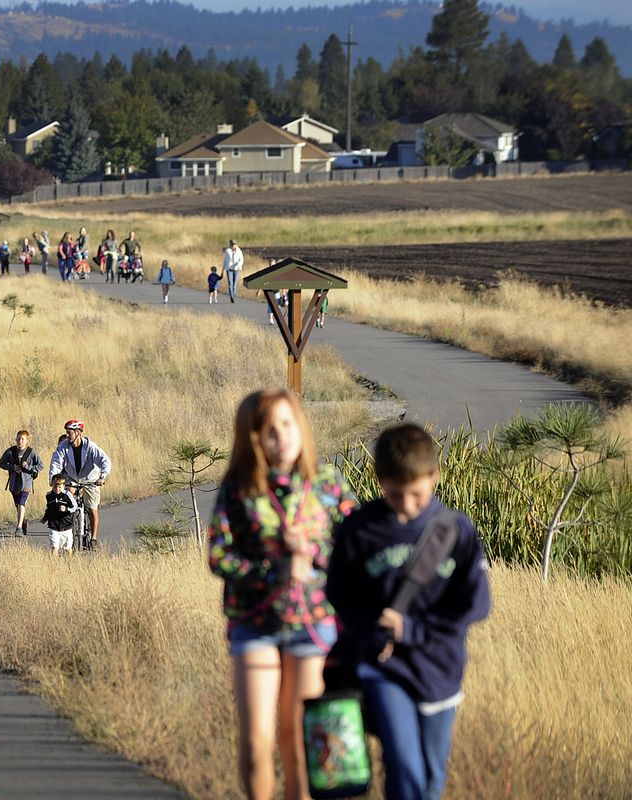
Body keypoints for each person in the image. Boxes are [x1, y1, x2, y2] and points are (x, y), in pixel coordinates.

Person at [326, 423, 491, 800]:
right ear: (380, 479)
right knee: (404, 768)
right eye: (396, 494)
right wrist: (371, 631)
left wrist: (412, 630)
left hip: (440, 669)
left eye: (416, 494)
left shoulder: (456, 530)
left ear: (434, 476)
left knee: (431, 780)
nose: (407, 505)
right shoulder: (361, 528)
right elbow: (340, 593)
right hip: (385, 668)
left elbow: (477, 604)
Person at [206, 388, 356, 800]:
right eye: (269, 430)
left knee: (298, 739)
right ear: (252, 438)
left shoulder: (327, 484)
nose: (282, 436)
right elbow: (219, 555)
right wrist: (274, 572)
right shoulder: (239, 488)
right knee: (257, 742)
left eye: (288, 424)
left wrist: (312, 553)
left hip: (311, 624)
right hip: (254, 624)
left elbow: (357, 547)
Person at [48, 420, 112, 551]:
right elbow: (56, 462)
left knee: (92, 509)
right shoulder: (63, 447)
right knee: (66, 499)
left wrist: (102, 477)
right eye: (66, 433)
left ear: (78, 433)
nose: (67, 436)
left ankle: (93, 539)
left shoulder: (90, 447)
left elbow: (104, 461)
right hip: (72, 479)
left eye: (69, 433)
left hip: (91, 480)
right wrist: (53, 479)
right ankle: (67, 530)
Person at [0, 430, 44, 536]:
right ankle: (23, 522)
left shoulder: (32, 453)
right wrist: (12, 467)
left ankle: (18, 528)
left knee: (22, 503)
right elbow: (1, 463)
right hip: (14, 483)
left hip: (26, 483)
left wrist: (28, 467)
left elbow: (40, 466)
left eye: (22, 439)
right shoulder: (10, 451)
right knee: (17, 505)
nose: (20, 441)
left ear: (27, 441)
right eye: (18, 439)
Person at [41, 474, 78, 557]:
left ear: (64, 486)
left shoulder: (67, 495)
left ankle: (70, 563)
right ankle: (55, 565)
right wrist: (45, 518)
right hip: (53, 525)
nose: (57, 489)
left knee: (68, 548)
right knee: (54, 547)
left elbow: (74, 507)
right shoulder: (49, 495)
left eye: (59, 487)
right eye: (55, 487)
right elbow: (49, 508)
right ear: (52, 486)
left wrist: (66, 509)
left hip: (66, 526)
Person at [224, 239, 244, 303]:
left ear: (236, 245)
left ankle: (234, 295)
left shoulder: (239, 251)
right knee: (230, 283)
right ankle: (231, 296)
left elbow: (241, 260)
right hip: (229, 269)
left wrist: (238, 266)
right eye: (232, 244)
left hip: (236, 269)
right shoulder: (227, 251)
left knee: (234, 283)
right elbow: (225, 260)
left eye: (235, 244)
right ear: (230, 245)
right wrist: (224, 268)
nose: (233, 246)